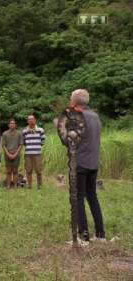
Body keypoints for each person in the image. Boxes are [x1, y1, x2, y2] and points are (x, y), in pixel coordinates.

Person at [71, 89, 105, 242]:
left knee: (78, 198)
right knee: (92, 196)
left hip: (81, 162)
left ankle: (84, 236)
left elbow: (70, 140)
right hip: (93, 162)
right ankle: (100, 234)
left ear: (74, 102)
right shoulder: (95, 116)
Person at [22, 115, 45, 189]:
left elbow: (43, 141)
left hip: (37, 153)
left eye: (32, 119)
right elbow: (23, 142)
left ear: (35, 120)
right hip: (28, 154)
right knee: (28, 170)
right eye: (29, 119)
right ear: (27, 121)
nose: (31, 120)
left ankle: (40, 186)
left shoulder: (40, 130)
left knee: (39, 170)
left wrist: (36, 147)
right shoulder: (25, 131)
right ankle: (30, 186)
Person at [1, 118, 23, 188]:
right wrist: (8, 154)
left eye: (13, 123)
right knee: (8, 171)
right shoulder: (5, 133)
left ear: (15, 125)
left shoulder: (19, 133)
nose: (12, 125)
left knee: (15, 171)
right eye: (11, 123)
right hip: (7, 154)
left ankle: (16, 185)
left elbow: (21, 145)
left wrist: (16, 154)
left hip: (16, 154)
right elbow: (3, 145)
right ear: (8, 125)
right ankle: (8, 185)